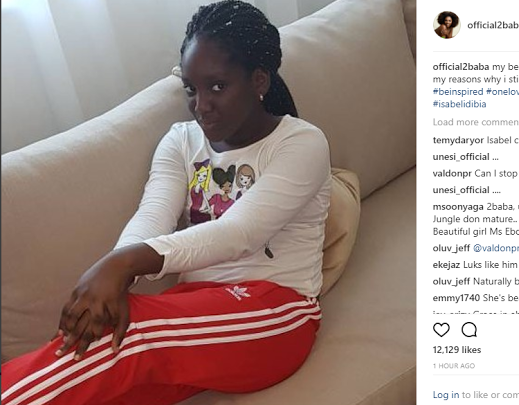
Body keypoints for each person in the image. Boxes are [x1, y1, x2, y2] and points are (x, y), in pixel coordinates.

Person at [0, 1, 331, 404]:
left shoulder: (300, 143)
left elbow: (239, 233)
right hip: (198, 310)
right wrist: (118, 274)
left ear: (258, 80)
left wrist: (121, 264)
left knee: (133, 333)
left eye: (217, 87)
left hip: (277, 314)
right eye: (191, 89)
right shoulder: (180, 141)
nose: (201, 105)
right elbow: (152, 216)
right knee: (102, 341)